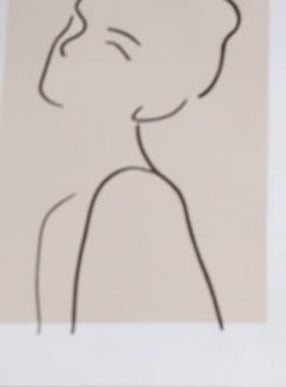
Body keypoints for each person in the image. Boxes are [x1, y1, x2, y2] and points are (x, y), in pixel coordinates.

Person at [34, 0, 241, 331]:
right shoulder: (64, 214)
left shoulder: (136, 193)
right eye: (78, 22)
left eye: (115, 44)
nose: (70, 43)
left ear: (158, 93)